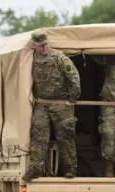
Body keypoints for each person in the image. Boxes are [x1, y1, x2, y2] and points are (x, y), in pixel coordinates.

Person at [23, 30, 81, 181]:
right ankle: (36, 169)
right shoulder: (30, 59)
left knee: (65, 136)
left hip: (61, 103)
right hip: (42, 104)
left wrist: (72, 98)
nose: (45, 48)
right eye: (41, 46)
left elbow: (73, 77)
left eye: (46, 44)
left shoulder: (60, 57)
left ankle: (70, 170)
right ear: (35, 46)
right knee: (38, 135)